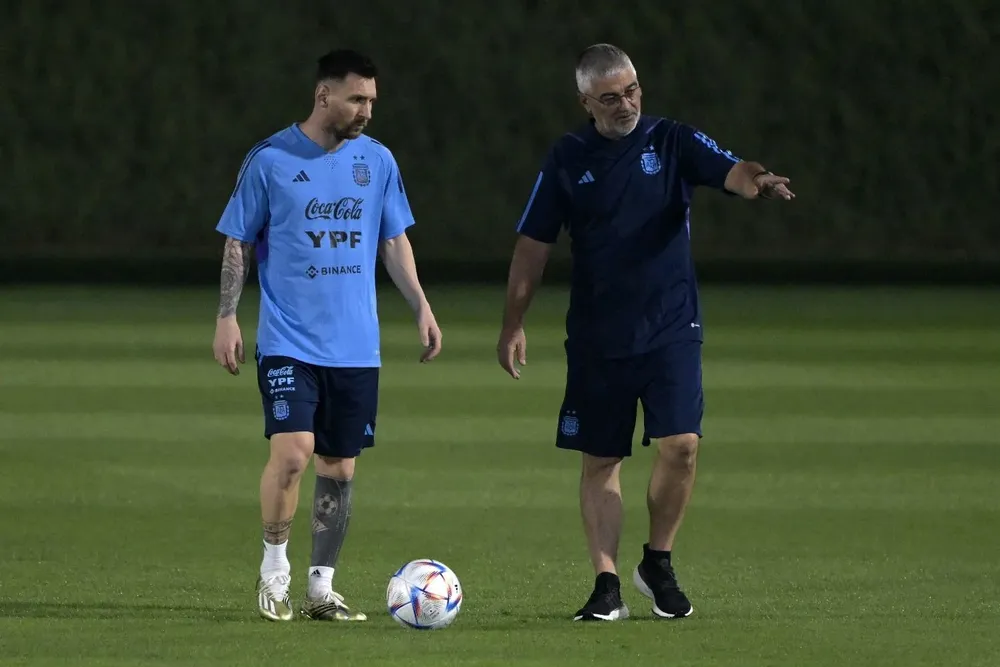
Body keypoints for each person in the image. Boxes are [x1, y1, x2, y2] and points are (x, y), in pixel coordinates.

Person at [496, 43, 794, 622]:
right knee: (601, 460)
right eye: (610, 97)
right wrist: (514, 323)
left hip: (670, 325)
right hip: (598, 334)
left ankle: (657, 562)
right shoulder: (566, 158)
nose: (626, 104)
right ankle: (606, 585)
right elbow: (533, 246)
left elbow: (733, 168)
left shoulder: (672, 140)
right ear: (585, 101)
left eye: (632, 91)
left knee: (681, 446)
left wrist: (756, 181)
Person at [211, 49, 442, 623]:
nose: (366, 110)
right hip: (289, 339)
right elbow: (239, 239)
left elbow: (393, 239)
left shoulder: (377, 161)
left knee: (339, 470)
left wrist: (421, 304)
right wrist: (226, 315)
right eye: (356, 98)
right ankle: (274, 573)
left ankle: (321, 589)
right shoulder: (270, 159)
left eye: (371, 100)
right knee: (293, 454)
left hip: (356, 345)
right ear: (323, 96)